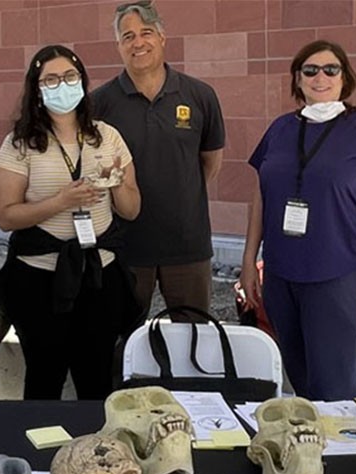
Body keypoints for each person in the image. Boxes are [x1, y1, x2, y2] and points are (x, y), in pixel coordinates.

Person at [239, 40, 356, 401]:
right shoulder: (280, 129)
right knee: (301, 380)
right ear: (298, 79)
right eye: (310, 70)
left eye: (331, 69)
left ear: (345, 77)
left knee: (337, 391)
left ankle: (340, 440)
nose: (320, 77)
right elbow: (261, 197)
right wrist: (249, 260)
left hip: (339, 275)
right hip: (282, 275)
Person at [0, 44, 142, 400]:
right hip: (40, 279)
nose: (63, 85)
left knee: (97, 378)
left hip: (100, 275)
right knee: (44, 378)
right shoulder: (19, 144)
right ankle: (40, 438)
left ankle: (96, 438)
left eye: (70, 77)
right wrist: (60, 202)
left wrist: (116, 184)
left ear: (83, 83)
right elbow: (6, 216)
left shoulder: (107, 136)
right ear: (37, 90)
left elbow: (132, 209)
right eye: (52, 79)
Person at [91, 0, 225, 320]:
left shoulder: (200, 96)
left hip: (187, 246)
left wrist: (180, 196)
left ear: (162, 37)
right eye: (128, 36)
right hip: (124, 247)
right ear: (119, 46)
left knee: (193, 336)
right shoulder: (99, 104)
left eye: (146, 32)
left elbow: (210, 163)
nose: (138, 42)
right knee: (121, 337)